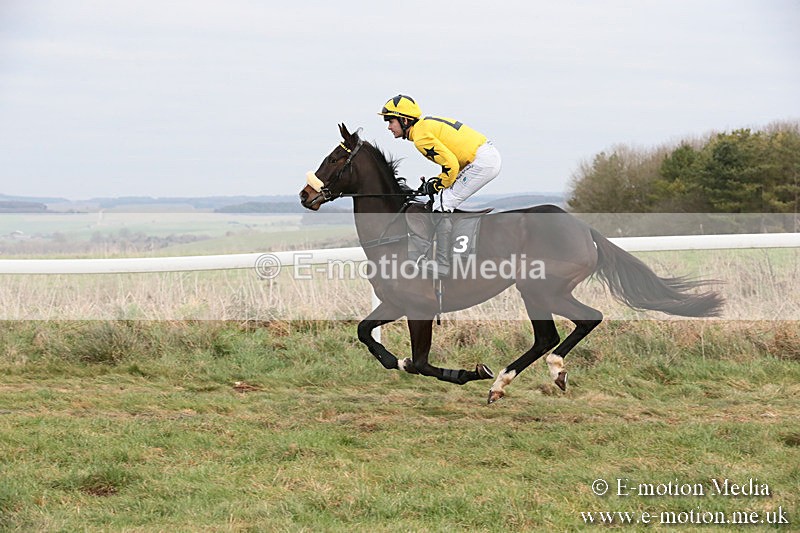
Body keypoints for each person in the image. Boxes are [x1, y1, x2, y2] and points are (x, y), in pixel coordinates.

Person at [378, 94, 502, 276]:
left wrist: (438, 184)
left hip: (481, 162)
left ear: (404, 120)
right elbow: (451, 165)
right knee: (441, 196)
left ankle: (443, 264)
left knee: (443, 202)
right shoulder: (423, 127)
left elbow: (451, 165)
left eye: (391, 121)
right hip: (481, 157)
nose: (389, 127)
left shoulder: (420, 138)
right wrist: (437, 182)